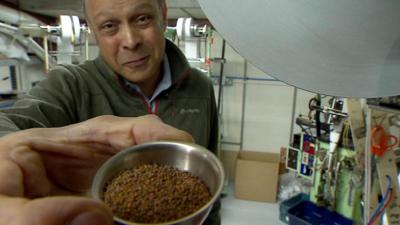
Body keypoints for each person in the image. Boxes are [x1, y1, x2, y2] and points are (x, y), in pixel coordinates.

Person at [0, 0, 220, 224]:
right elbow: (7, 122)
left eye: (142, 19)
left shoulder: (200, 86)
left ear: (162, 14)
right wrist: (15, 150)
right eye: (109, 26)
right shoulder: (70, 84)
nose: (131, 41)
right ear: (93, 31)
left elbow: (210, 185)